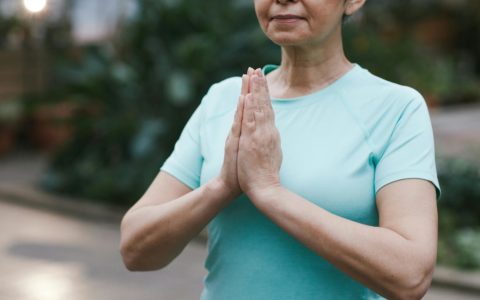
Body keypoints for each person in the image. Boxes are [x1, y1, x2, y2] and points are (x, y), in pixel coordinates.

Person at [120, 0, 442, 299]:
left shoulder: (395, 108)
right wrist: (222, 187)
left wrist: (269, 192)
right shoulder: (224, 100)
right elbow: (135, 247)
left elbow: (409, 274)